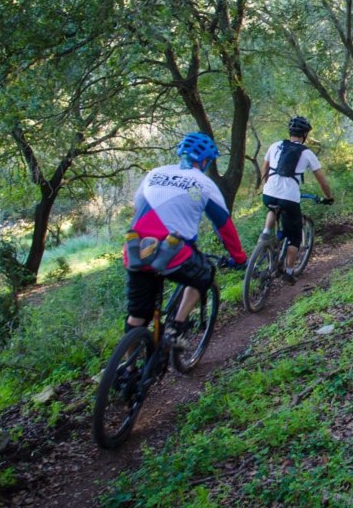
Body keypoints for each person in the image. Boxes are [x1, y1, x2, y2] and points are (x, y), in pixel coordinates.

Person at [123, 132, 248, 349]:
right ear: (206, 160)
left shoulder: (154, 174)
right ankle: (175, 328)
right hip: (173, 252)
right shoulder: (204, 183)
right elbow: (224, 225)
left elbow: (136, 207)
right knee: (205, 274)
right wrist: (239, 258)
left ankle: (127, 370)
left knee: (137, 314)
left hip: (137, 249)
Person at [260, 116, 334, 285]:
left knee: (273, 209)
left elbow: (264, 167)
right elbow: (322, 180)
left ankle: (265, 234)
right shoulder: (307, 153)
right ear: (305, 134)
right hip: (289, 198)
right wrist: (329, 197)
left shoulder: (275, 145)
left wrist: (268, 186)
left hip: (269, 193)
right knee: (294, 237)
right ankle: (289, 272)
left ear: (290, 132)